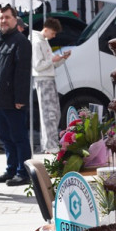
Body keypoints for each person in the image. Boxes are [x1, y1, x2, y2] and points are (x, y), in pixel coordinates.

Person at [0, 4, 32, 186]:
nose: (3, 21)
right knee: (6, 138)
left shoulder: (21, 42)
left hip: (14, 101)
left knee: (19, 138)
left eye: (7, 17)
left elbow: (22, 73)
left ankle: (23, 172)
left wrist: (20, 99)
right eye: (1, 18)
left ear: (15, 20)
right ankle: (11, 169)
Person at [32, 17, 71, 153]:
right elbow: (38, 65)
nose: (54, 36)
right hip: (43, 79)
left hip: (48, 78)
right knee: (49, 113)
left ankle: (50, 144)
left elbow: (49, 63)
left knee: (53, 112)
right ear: (46, 29)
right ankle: (50, 146)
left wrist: (61, 59)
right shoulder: (37, 42)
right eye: (53, 33)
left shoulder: (44, 41)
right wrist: (52, 60)